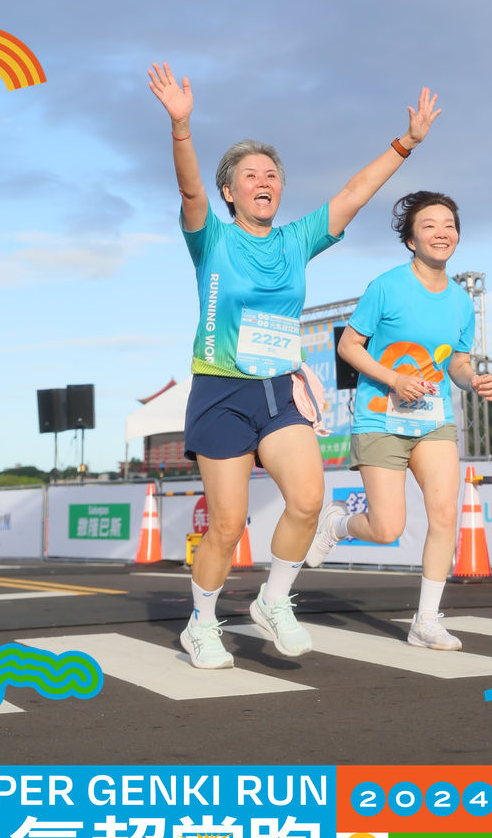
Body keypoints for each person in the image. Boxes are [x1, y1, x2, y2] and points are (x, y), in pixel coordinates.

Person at [148, 63, 441, 669]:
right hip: (221, 392)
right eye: (250, 175)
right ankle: (200, 624)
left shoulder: (296, 240)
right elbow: (190, 193)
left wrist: (406, 143)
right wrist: (181, 126)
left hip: (278, 391)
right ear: (231, 192)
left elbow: (354, 193)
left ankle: (273, 599)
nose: (264, 182)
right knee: (227, 525)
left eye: (272, 175)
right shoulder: (211, 238)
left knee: (308, 500)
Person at [305, 190, 492, 650]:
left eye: (449, 225)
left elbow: (457, 362)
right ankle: (337, 525)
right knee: (387, 528)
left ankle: (425, 621)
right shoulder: (387, 287)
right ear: (411, 240)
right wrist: (393, 379)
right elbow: (348, 346)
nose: (441, 232)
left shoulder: (460, 303)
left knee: (444, 515)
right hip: (380, 418)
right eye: (429, 225)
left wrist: (473, 379)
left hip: (434, 419)